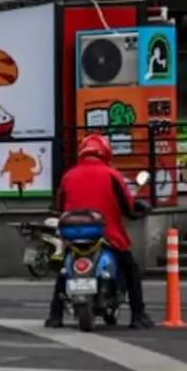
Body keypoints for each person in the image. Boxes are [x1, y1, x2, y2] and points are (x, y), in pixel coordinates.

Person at [47, 134, 154, 330]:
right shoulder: (112, 175)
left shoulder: (68, 176)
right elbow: (128, 207)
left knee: (64, 270)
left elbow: (59, 207)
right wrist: (139, 210)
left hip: (72, 237)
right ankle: (138, 315)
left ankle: (55, 315)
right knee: (130, 268)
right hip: (107, 235)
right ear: (106, 152)